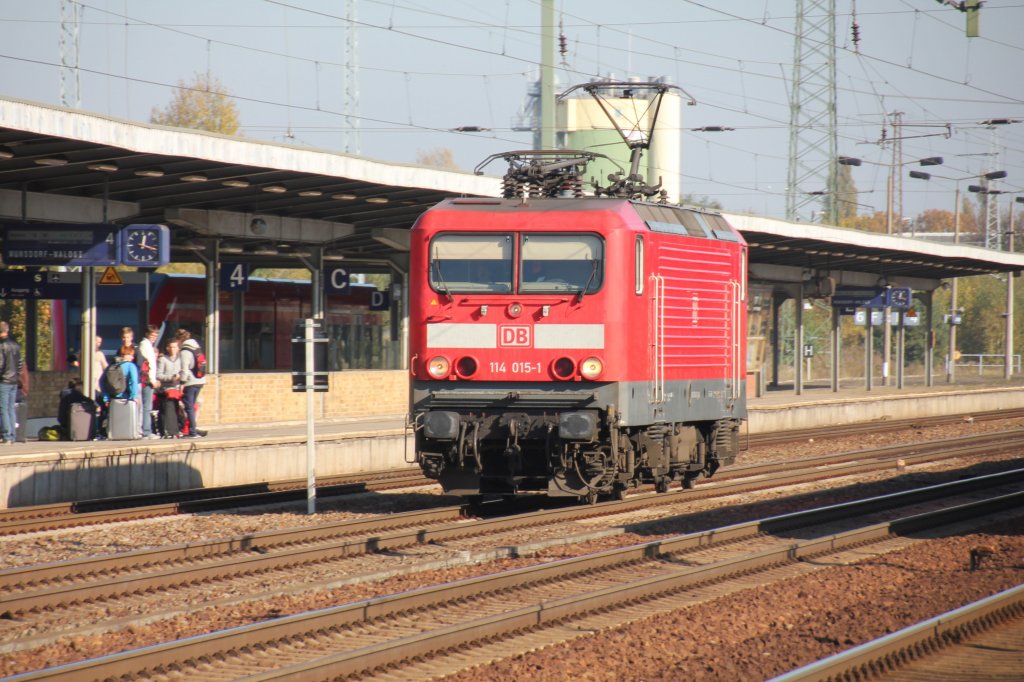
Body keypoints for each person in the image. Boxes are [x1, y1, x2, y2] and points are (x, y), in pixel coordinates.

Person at [175, 328, 207, 438]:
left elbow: (185, 369)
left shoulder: (185, 351)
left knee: (188, 406)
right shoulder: (196, 346)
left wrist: (182, 383)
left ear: (179, 340)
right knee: (191, 406)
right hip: (200, 380)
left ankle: (192, 431)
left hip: (191, 382)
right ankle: (191, 429)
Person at [137, 325, 161, 439]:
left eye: (156, 335)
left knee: (146, 406)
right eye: (152, 335)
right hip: (147, 381)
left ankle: (145, 430)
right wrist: (153, 380)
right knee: (147, 407)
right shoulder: (145, 345)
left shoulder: (148, 345)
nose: (154, 337)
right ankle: (146, 431)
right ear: (147, 334)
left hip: (147, 380)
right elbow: (149, 364)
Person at [156, 338, 183, 438]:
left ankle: (178, 429)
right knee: (168, 408)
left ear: (178, 348)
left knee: (178, 409)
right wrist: (171, 378)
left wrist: (181, 378)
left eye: (175, 347)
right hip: (166, 389)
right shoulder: (162, 360)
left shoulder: (181, 360)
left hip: (178, 388)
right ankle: (169, 431)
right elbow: (158, 375)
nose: (172, 349)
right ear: (167, 348)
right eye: (171, 347)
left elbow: (185, 373)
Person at [0, 321, 22, 445]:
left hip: (4, 381)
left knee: (3, 408)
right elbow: (19, 364)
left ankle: (7, 435)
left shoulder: (1, 346)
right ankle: (12, 435)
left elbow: (1, 364)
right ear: (7, 330)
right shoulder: (15, 345)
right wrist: (16, 375)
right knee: (10, 408)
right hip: (14, 380)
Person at [92, 335, 108, 403]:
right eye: (97, 341)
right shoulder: (99, 354)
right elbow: (106, 367)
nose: (98, 344)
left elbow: (105, 367)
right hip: (95, 382)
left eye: (100, 342)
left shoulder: (100, 354)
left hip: (97, 381)